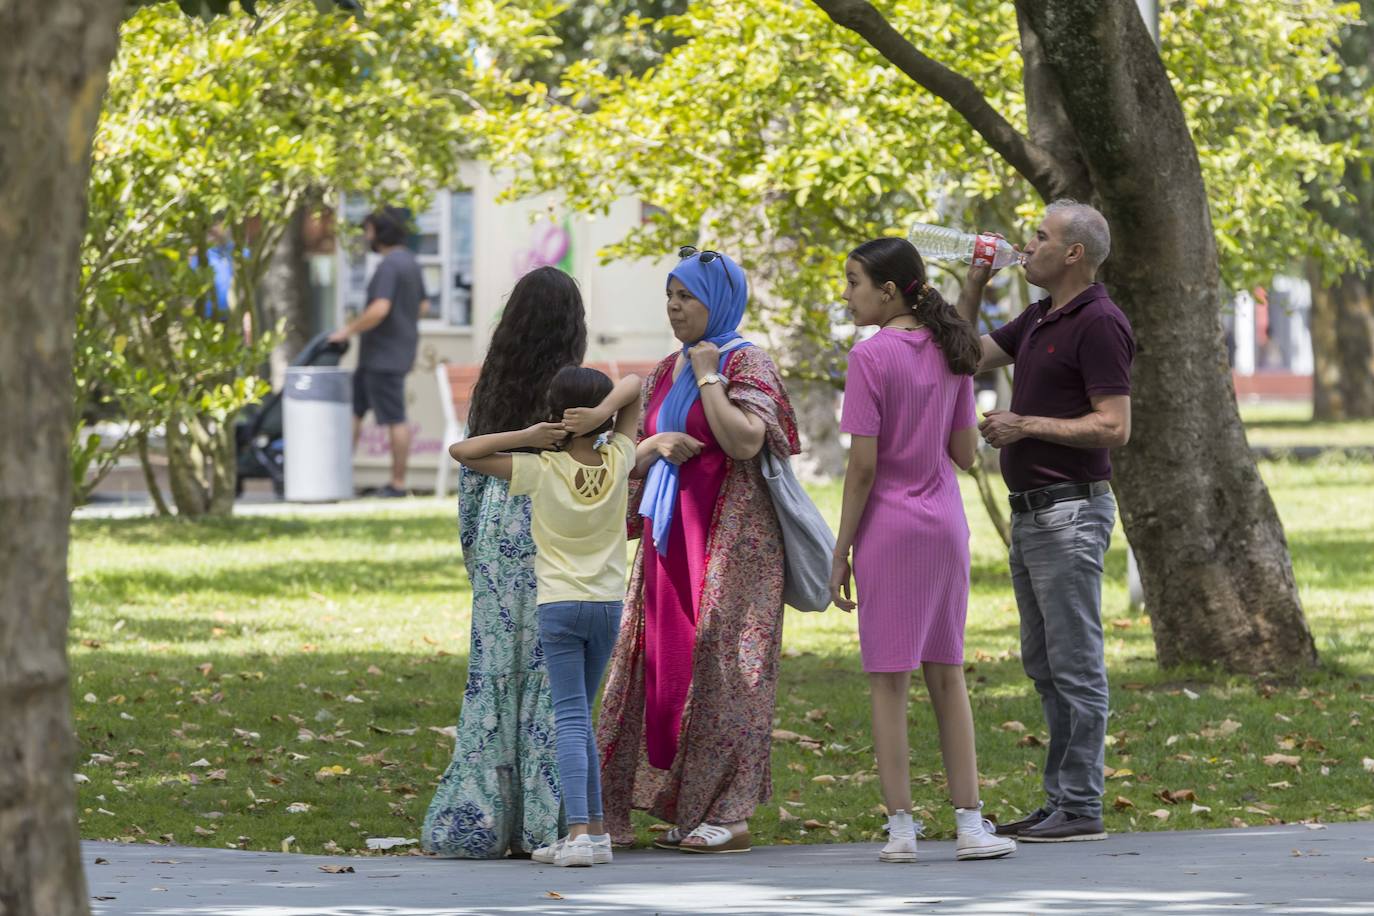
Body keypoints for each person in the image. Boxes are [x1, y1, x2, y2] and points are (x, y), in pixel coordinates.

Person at [596, 247, 799, 854]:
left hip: (736, 546)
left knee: (731, 671)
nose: (674, 307)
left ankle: (729, 815)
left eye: (687, 296)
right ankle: (669, 804)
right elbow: (625, 453)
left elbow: (744, 441)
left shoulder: (746, 362)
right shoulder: (664, 369)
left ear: (721, 301)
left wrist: (710, 374)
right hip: (671, 538)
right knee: (663, 666)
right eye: (670, 295)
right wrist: (657, 441)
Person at [828, 238, 1017, 863]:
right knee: (947, 675)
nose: (847, 293)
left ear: (887, 291)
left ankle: (903, 830)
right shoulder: (949, 350)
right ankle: (970, 824)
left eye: (854, 281)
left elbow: (861, 469)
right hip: (944, 528)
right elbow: (965, 455)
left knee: (889, 683)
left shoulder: (870, 358)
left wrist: (839, 551)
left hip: (889, 530)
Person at [955, 199, 1135, 843]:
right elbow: (964, 356)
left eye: (1040, 237)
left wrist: (1024, 424)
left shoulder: (1099, 323)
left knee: (1075, 662)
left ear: (1074, 254)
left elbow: (1114, 425)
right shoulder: (1038, 316)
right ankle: (1063, 799)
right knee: (1043, 662)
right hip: (1033, 515)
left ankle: (1082, 804)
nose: (1027, 247)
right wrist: (974, 282)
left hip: (1070, 513)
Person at [420, 266, 587, 859]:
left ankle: (483, 817)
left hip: (498, 533)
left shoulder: (494, 384)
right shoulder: (572, 390)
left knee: (495, 676)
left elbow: (469, 476)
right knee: (549, 679)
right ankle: (548, 822)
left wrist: (474, 554)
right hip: (551, 537)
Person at [447, 365, 642, 867]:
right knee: (584, 718)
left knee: (570, 719)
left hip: (558, 608)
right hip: (606, 606)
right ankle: (596, 834)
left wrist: (530, 437)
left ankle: (576, 834)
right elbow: (636, 386)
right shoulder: (620, 458)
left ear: (554, 413)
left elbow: (463, 453)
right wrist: (603, 416)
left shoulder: (541, 468)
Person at [328, 206, 430, 498]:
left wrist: (347, 331)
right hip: (389, 353)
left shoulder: (388, 266)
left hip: (383, 357)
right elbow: (422, 306)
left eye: (368, 230)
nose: (365, 236)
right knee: (355, 410)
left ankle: (397, 484)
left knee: (394, 417)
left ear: (381, 231)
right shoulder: (410, 262)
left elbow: (380, 308)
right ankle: (337, 475)